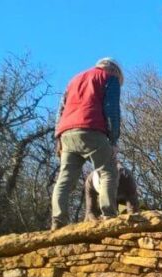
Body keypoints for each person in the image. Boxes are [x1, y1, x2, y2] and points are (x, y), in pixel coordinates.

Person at [50, 57, 124, 230]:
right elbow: (112, 109)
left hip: (67, 132)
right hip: (91, 129)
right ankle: (109, 217)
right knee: (108, 171)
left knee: (65, 178)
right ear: (115, 71)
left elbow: (60, 110)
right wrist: (113, 140)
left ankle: (58, 222)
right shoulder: (109, 78)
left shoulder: (74, 80)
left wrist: (58, 137)